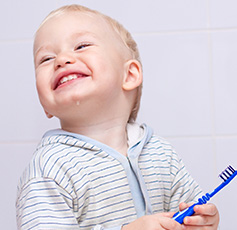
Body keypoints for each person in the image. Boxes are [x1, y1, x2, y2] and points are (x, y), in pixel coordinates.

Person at [16, 4, 219, 230]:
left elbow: (187, 214)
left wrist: (201, 223)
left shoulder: (161, 155)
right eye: (46, 59)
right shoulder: (49, 169)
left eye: (81, 46)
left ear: (129, 75)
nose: (62, 59)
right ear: (45, 104)